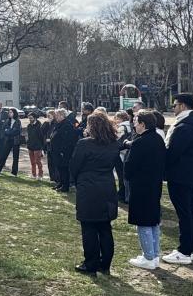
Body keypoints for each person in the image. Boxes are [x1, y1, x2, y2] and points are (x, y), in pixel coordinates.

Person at [69, 112, 120, 275]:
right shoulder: (113, 144)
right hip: (106, 186)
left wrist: (78, 180)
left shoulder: (84, 144)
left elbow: (75, 165)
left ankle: (90, 262)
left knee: (89, 226)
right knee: (105, 227)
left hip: (88, 188)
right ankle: (105, 263)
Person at [161, 94, 193, 265]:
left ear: (183, 106)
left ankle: (184, 250)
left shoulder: (184, 127)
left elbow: (173, 153)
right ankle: (191, 249)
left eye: (174, 105)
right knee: (190, 211)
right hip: (190, 174)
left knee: (184, 213)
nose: (173, 108)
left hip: (179, 175)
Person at [125, 110, 166, 270]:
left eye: (135, 121)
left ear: (142, 124)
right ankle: (154, 255)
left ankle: (148, 256)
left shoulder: (140, 142)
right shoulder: (157, 138)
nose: (133, 124)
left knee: (143, 221)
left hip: (141, 185)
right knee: (153, 220)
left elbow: (129, 166)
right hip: (154, 184)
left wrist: (128, 175)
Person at [49, 108, 76, 192]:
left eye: (57, 115)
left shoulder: (67, 125)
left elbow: (68, 140)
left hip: (63, 151)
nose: (56, 117)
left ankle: (65, 186)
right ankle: (61, 183)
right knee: (59, 168)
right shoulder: (59, 124)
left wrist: (62, 151)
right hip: (56, 150)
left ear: (62, 115)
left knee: (64, 168)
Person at [0, 108, 21, 176]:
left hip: (15, 141)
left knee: (15, 157)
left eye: (11, 112)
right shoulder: (7, 121)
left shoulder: (18, 121)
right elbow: (3, 129)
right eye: (9, 112)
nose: (9, 113)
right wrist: (8, 131)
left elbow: (16, 131)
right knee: (3, 155)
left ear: (14, 113)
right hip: (7, 140)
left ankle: (14, 173)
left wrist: (8, 131)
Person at [113, 111, 132, 203]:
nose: (115, 120)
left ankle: (122, 195)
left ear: (120, 118)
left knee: (121, 175)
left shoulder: (121, 127)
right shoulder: (130, 126)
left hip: (121, 153)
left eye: (116, 118)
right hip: (127, 152)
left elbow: (117, 140)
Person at [26, 113, 45, 179]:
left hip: (37, 146)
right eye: (29, 118)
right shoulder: (29, 126)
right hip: (30, 146)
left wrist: (42, 147)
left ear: (35, 118)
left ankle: (40, 174)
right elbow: (28, 136)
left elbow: (42, 137)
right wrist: (28, 144)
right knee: (32, 162)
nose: (30, 119)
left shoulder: (39, 126)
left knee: (38, 161)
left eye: (31, 118)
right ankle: (33, 174)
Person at [43, 109, 58, 183]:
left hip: (54, 146)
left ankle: (56, 178)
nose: (48, 116)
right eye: (47, 115)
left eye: (50, 115)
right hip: (48, 146)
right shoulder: (47, 123)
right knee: (49, 162)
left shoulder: (56, 123)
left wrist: (50, 140)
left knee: (54, 162)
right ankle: (52, 178)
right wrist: (46, 123)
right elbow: (42, 131)